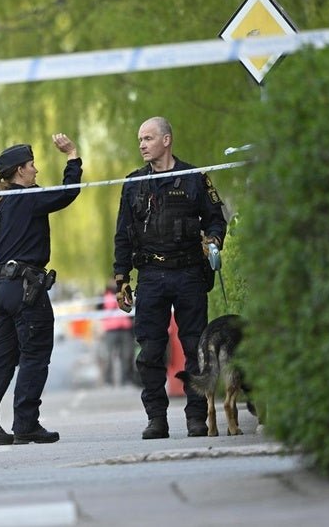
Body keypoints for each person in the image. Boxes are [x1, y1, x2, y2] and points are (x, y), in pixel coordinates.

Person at [112, 116, 227, 439]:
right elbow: (122, 235)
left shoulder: (194, 178)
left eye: (148, 138)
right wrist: (121, 279)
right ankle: (156, 419)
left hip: (189, 273)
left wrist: (213, 241)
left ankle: (197, 417)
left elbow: (216, 219)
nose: (142, 145)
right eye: (140, 139)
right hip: (150, 275)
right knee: (150, 351)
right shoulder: (133, 184)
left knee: (194, 347)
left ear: (166, 140)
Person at [0, 133, 82, 446]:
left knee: (2, 357)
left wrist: (1, 256)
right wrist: (72, 156)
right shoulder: (29, 197)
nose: (36, 170)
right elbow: (68, 192)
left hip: (0, 288)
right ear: (20, 171)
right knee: (35, 354)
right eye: (32, 165)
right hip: (27, 289)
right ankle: (26, 424)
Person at [99, 280, 136, 386]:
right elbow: (98, 311)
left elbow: (132, 308)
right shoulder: (103, 295)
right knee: (108, 356)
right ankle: (108, 380)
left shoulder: (126, 293)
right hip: (110, 330)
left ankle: (126, 379)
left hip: (126, 329)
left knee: (127, 355)